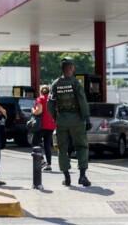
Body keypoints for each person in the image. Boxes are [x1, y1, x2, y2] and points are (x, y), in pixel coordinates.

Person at [47, 58, 92, 187]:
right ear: (71, 68)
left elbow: (49, 105)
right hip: (77, 120)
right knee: (82, 146)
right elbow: (83, 102)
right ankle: (82, 176)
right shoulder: (76, 83)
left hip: (61, 120)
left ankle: (67, 178)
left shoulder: (55, 84)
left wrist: (56, 118)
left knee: (62, 148)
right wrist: (87, 119)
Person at [31, 85, 56, 171]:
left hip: (41, 125)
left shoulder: (40, 99)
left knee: (34, 143)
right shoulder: (52, 100)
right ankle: (49, 165)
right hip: (51, 125)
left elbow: (39, 110)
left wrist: (32, 110)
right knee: (47, 145)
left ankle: (42, 160)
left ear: (41, 91)